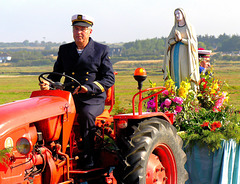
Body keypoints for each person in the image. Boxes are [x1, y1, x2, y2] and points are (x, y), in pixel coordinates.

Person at [39, 13, 115, 169]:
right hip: (68, 98)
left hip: (91, 99)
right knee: (47, 114)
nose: (79, 32)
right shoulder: (65, 50)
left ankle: (88, 157)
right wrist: (48, 83)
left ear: (90, 32)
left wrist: (88, 87)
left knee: (86, 115)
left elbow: (109, 79)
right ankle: (51, 154)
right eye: (76, 29)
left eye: (83, 29)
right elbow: (56, 75)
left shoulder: (101, 50)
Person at [163, 8, 199, 90]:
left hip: (186, 55)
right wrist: (175, 40)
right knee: (175, 73)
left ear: (183, 14)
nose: (177, 16)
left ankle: (187, 93)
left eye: (178, 13)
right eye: (175, 14)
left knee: (185, 73)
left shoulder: (189, 27)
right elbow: (169, 41)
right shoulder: (174, 28)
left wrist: (182, 39)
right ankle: (175, 94)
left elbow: (193, 43)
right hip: (175, 54)